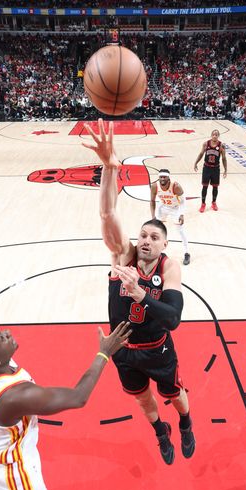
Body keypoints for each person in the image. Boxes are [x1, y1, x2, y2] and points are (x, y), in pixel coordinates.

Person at [0, 169, 131, 490]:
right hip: (9, 470)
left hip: (4, 452)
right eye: (0, 337)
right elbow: (77, 398)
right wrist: (104, 352)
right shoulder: (13, 396)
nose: (5, 332)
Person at [84, 119, 196, 465]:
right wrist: (109, 168)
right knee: (143, 401)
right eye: (143, 235)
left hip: (158, 347)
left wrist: (141, 296)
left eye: (154, 238)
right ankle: (161, 432)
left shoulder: (169, 267)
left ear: (163, 244)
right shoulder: (122, 256)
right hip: (123, 349)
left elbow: (173, 318)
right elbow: (107, 212)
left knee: (174, 394)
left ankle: (185, 422)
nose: (146, 241)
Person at [150, 169, 190, 265]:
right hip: (163, 207)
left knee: (180, 230)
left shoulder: (176, 186)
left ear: (168, 178)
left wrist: (181, 214)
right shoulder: (155, 186)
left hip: (176, 208)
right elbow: (152, 201)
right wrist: (153, 216)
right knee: (157, 229)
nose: (162, 179)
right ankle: (155, 252)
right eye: (161, 177)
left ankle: (187, 253)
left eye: (164, 177)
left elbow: (183, 201)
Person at [193, 129, 227, 212]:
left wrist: (225, 169)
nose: (214, 136)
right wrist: (196, 163)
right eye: (213, 134)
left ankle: (214, 202)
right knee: (205, 186)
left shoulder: (221, 145)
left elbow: (224, 158)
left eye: (216, 134)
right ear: (211, 135)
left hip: (215, 168)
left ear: (218, 136)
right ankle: (203, 204)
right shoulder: (206, 144)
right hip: (207, 168)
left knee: (215, 187)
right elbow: (201, 154)